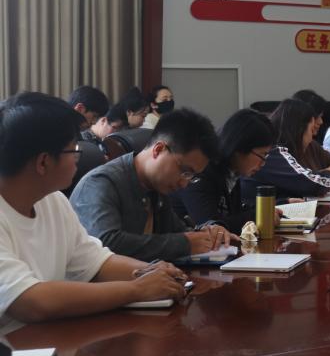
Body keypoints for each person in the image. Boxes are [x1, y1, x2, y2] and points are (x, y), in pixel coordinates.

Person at [0, 93, 187, 332]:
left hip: (47, 340)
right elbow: (31, 302)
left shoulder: (53, 201)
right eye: (73, 150)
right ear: (43, 162)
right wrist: (137, 289)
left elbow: (96, 263)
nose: (79, 158)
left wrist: (149, 272)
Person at [71, 109, 231, 261]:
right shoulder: (101, 182)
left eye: (192, 177)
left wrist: (208, 232)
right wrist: (185, 243)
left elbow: (178, 233)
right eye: (185, 171)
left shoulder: (155, 187)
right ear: (158, 149)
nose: (184, 183)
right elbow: (106, 244)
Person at [172, 109, 279, 234]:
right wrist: (259, 215)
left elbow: (234, 214)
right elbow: (212, 226)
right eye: (262, 155)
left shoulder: (232, 171)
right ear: (241, 146)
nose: (263, 164)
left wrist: (267, 210)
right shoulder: (202, 168)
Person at [241, 99, 330, 201]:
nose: (312, 136)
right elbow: (312, 185)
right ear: (299, 130)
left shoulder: (281, 150)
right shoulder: (274, 152)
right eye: (311, 130)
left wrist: (284, 202)